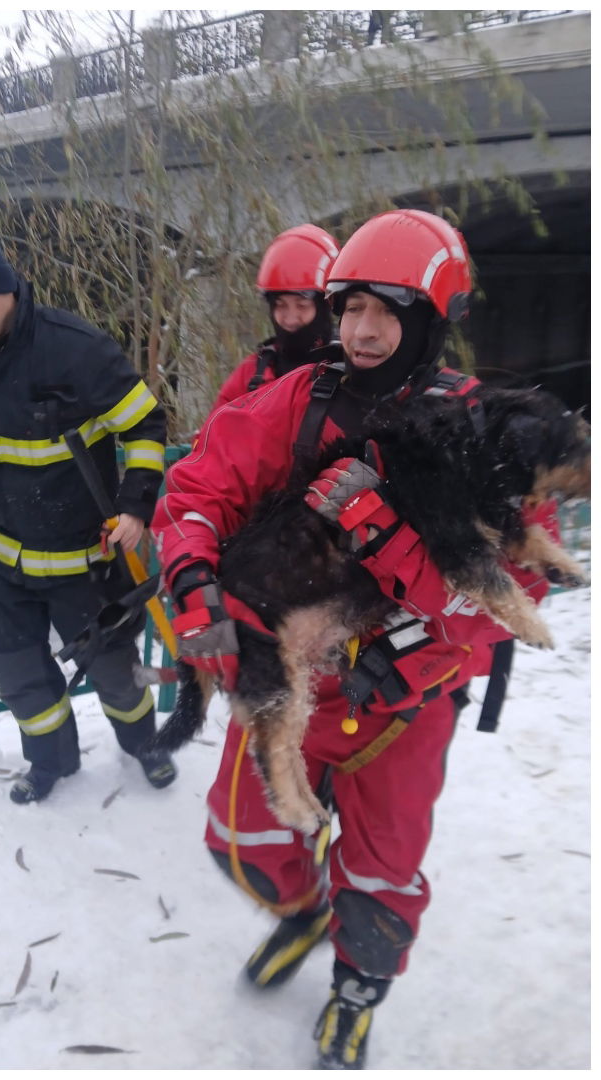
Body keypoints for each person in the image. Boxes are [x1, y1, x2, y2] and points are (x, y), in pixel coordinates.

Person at [152, 208, 555, 1069]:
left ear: (430, 319)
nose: (362, 331)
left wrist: (387, 538)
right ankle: (302, 911)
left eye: (386, 311)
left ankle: (357, 988)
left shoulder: (477, 427)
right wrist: (190, 582)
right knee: (243, 841)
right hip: (300, 680)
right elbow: (197, 490)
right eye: (349, 309)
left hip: (406, 706)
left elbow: (504, 601)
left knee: (382, 872)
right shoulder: (297, 401)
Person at [0, 221, 177, 804]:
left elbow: (143, 423)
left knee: (118, 675)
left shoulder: (73, 348)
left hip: (86, 562)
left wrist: (136, 508)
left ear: (6, 288)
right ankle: (50, 763)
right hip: (7, 569)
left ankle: (147, 743)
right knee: (22, 682)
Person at [211, 224, 341, 414]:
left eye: (302, 305)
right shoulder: (252, 374)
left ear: (325, 305)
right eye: (280, 305)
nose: (290, 318)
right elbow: (209, 437)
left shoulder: (350, 368)